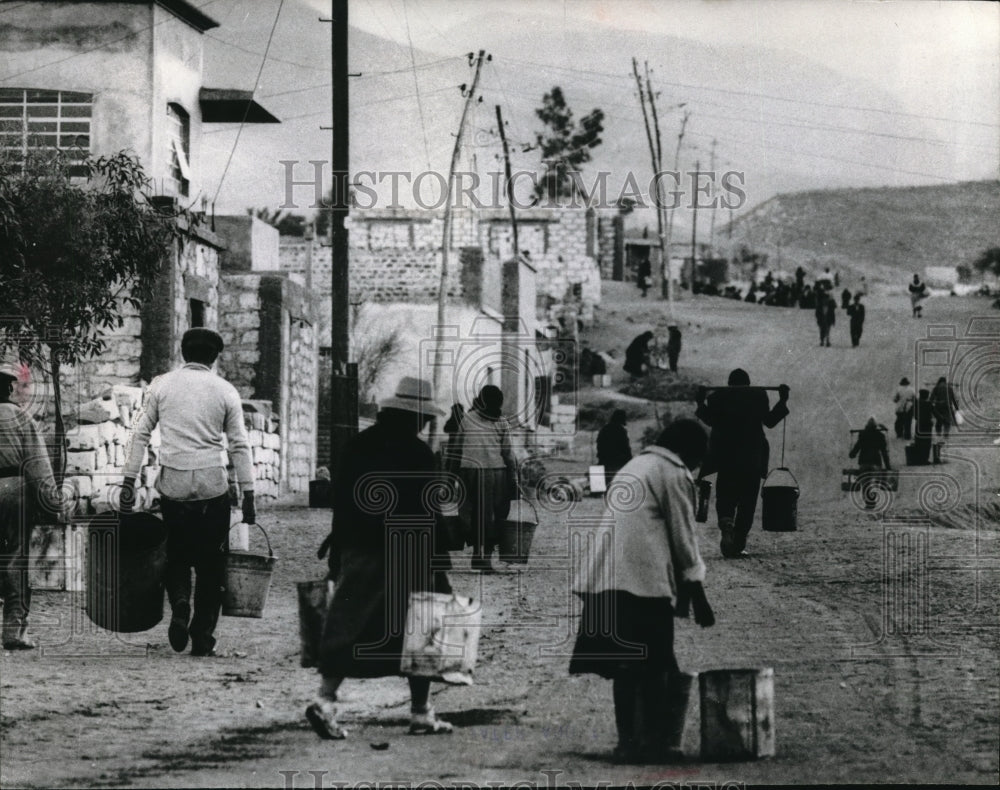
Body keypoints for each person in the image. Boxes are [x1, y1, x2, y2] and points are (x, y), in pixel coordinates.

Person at [308, 376, 456, 739]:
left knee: (348, 622)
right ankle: (421, 712)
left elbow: (340, 501)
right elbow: (428, 512)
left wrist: (338, 550)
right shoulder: (420, 454)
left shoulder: (356, 446)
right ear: (414, 417)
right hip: (412, 552)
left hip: (359, 548)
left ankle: (325, 701)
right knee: (420, 629)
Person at [570, 419, 715, 764]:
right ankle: (655, 743)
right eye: (699, 456)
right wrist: (698, 594)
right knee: (654, 666)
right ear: (687, 450)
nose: (698, 464)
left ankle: (628, 743)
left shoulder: (636, 465)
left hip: (608, 581)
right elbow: (684, 537)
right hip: (642, 585)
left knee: (626, 666)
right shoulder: (672, 472)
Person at [121, 328, 256, 658]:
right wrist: (249, 491)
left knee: (177, 555)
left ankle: (180, 604)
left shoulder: (161, 385)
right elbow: (239, 444)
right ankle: (202, 636)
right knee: (213, 564)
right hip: (212, 486)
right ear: (215, 357)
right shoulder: (225, 391)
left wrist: (128, 479)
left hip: (174, 484)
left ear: (183, 353)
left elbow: (139, 435)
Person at [0, 361, 63, 649]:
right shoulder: (20, 418)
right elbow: (38, 467)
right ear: (9, 389)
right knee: (16, 555)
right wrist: (52, 504)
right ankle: (13, 629)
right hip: (15, 490)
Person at [696, 370, 790, 558]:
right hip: (752, 458)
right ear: (748, 384)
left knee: (725, 495)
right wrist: (782, 400)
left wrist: (700, 402)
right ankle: (738, 543)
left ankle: (727, 523)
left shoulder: (717, 397)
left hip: (725, 458)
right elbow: (770, 422)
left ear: (729, 383)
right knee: (748, 500)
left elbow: (709, 420)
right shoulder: (758, 396)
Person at [457, 385, 518, 572]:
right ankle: (485, 560)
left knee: (475, 516)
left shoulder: (466, 419)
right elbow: (508, 453)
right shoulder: (501, 422)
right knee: (494, 517)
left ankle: (478, 555)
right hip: (494, 473)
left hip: (469, 472)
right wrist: (514, 475)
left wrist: (453, 475)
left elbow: (457, 447)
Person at [849, 417, 891, 509]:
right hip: (876, 462)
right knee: (875, 482)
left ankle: (869, 502)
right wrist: (888, 466)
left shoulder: (863, 434)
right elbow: (884, 452)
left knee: (865, 483)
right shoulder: (880, 435)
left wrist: (852, 454)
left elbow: (857, 447)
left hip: (864, 462)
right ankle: (873, 498)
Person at [596, 409, 632, 487]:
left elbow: (599, 445)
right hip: (618, 461)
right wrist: (630, 459)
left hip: (605, 459)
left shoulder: (604, 429)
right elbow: (625, 447)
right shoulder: (621, 430)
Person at [911, 389, 934, 464]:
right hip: (927, 425)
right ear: (927, 396)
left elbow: (914, 415)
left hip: (919, 424)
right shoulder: (929, 404)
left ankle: (918, 459)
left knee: (918, 441)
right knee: (927, 442)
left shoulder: (916, 404)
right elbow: (936, 413)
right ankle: (925, 459)